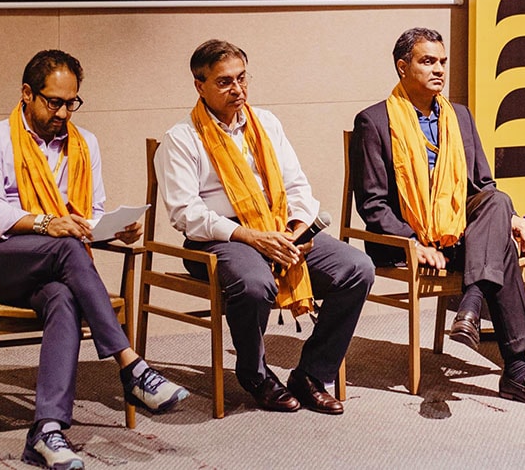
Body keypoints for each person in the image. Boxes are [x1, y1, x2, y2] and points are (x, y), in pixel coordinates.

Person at [0, 50, 187, 470]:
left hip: (53, 263)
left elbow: (89, 213)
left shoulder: (85, 146)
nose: (64, 113)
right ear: (27, 94)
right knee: (66, 245)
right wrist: (50, 222)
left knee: (65, 299)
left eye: (72, 103)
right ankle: (130, 365)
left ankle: (46, 431)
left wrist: (112, 228)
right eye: (54, 102)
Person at [350, 27, 525, 406]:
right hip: (406, 239)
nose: (439, 69)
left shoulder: (460, 118)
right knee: (498, 247)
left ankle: (470, 306)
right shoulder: (374, 121)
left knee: (499, 203)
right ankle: (517, 369)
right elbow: (372, 204)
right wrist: (414, 242)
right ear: (403, 67)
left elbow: (483, 185)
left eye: (442, 62)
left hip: (459, 236)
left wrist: (513, 217)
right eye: (427, 61)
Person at [156, 39, 375, 414]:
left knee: (356, 269)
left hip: (279, 229)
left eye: (242, 78)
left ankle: (310, 373)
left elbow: (297, 186)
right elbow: (185, 213)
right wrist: (249, 235)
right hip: (218, 239)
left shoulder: (267, 123)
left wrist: (295, 229)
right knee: (256, 283)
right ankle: (254, 373)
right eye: (225, 82)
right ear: (200, 86)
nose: (237, 89)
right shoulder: (181, 138)